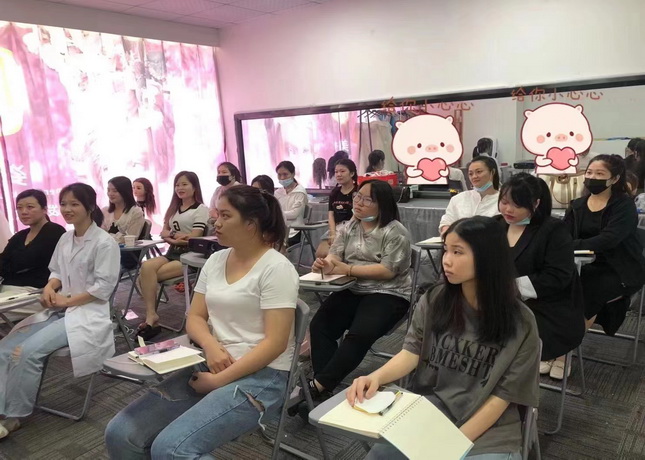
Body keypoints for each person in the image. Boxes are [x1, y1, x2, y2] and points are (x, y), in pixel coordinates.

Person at [105, 186, 298, 458]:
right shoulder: (217, 259)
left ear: (251, 224)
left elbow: (275, 343)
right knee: (120, 434)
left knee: (170, 449)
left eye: (226, 216)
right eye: (217, 214)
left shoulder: (276, 268)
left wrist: (218, 381)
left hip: (263, 375)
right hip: (213, 361)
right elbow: (195, 317)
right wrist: (210, 345)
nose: (216, 222)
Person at [348, 216, 540, 460]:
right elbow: (411, 352)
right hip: (432, 411)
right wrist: (374, 377)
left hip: (489, 431)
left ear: (488, 257)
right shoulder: (435, 300)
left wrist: (450, 445)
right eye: (446, 250)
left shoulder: (520, 322)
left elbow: (502, 397)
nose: (446, 260)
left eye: (458, 252)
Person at [0, 183, 120, 439]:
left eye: (74, 204)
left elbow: (103, 287)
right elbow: (55, 270)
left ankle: (15, 415)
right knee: (6, 346)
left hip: (86, 313)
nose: (67, 209)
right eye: (64, 203)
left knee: (26, 352)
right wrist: (49, 287)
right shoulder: (66, 238)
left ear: (89, 207)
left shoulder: (104, 243)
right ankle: (1, 405)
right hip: (59, 308)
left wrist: (67, 301)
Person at [308, 180, 411, 399]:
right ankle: (322, 385)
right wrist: (326, 264)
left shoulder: (395, 231)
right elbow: (334, 255)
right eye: (357, 196)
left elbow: (388, 271)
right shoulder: (349, 226)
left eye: (367, 199)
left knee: (359, 333)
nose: (358, 202)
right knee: (319, 325)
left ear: (382, 205)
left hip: (389, 292)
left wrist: (348, 268)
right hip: (353, 288)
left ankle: (317, 386)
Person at [498, 173, 585, 379]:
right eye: (504, 202)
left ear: (536, 203)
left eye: (517, 205)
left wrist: (511, 287)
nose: (508, 210)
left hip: (548, 307)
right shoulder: (497, 226)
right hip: (505, 302)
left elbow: (557, 276)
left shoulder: (553, 230)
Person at [564, 154, 645, 335]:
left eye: (600, 174)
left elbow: (609, 239)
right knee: (554, 283)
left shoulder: (624, 206)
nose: (592, 177)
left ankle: (567, 346)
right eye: (589, 172)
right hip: (582, 263)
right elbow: (562, 236)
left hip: (619, 267)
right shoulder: (577, 205)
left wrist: (572, 245)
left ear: (614, 179)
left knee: (586, 291)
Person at [136, 171, 209, 341]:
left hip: (190, 256)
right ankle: (151, 315)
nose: (180, 188)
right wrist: (176, 237)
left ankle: (151, 319)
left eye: (184, 184)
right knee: (146, 267)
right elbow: (163, 233)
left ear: (194, 187)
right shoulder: (174, 209)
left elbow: (195, 236)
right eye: (177, 185)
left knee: (147, 276)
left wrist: (172, 236)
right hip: (172, 252)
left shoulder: (201, 209)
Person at [0, 189, 66, 289]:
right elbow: (3, 262)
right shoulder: (19, 236)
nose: (24, 212)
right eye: (19, 208)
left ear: (44, 209)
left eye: (30, 207)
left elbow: (33, 263)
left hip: (39, 289)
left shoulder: (55, 231)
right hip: (11, 288)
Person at [439, 157, 500, 234]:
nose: (474, 176)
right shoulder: (458, 199)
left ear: (492, 172)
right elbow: (446, 222)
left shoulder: (503, 200)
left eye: (479, 172)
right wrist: (447, 234)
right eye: (471, 174)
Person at [315, 159, 357, 259]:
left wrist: (342, 233)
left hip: (353, 228)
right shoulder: (334, 192)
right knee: (321, 254)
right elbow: (331, 215)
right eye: (336, 172)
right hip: (336, 227)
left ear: (352, 173)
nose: (338, 174)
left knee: (335, 254)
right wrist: (333, 233)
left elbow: (357, 214)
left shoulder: (358, 191)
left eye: (342, 171)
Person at [102, 176, 145, 244]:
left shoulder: (135, 212)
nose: (110, 194)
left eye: (115, 191)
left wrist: (108, 238)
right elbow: (100, 234)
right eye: (108, 190)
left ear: (125, 192)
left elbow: (131, 237)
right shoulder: (105, 211)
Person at [275, 161, 308, 247]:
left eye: (285, 174)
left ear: (293, 174)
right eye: (279, 175)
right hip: (278, 229)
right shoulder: (278, 193)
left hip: (294, 230)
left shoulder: (300, 192)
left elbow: (294, 214)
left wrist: (278, 214)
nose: (282, 178)